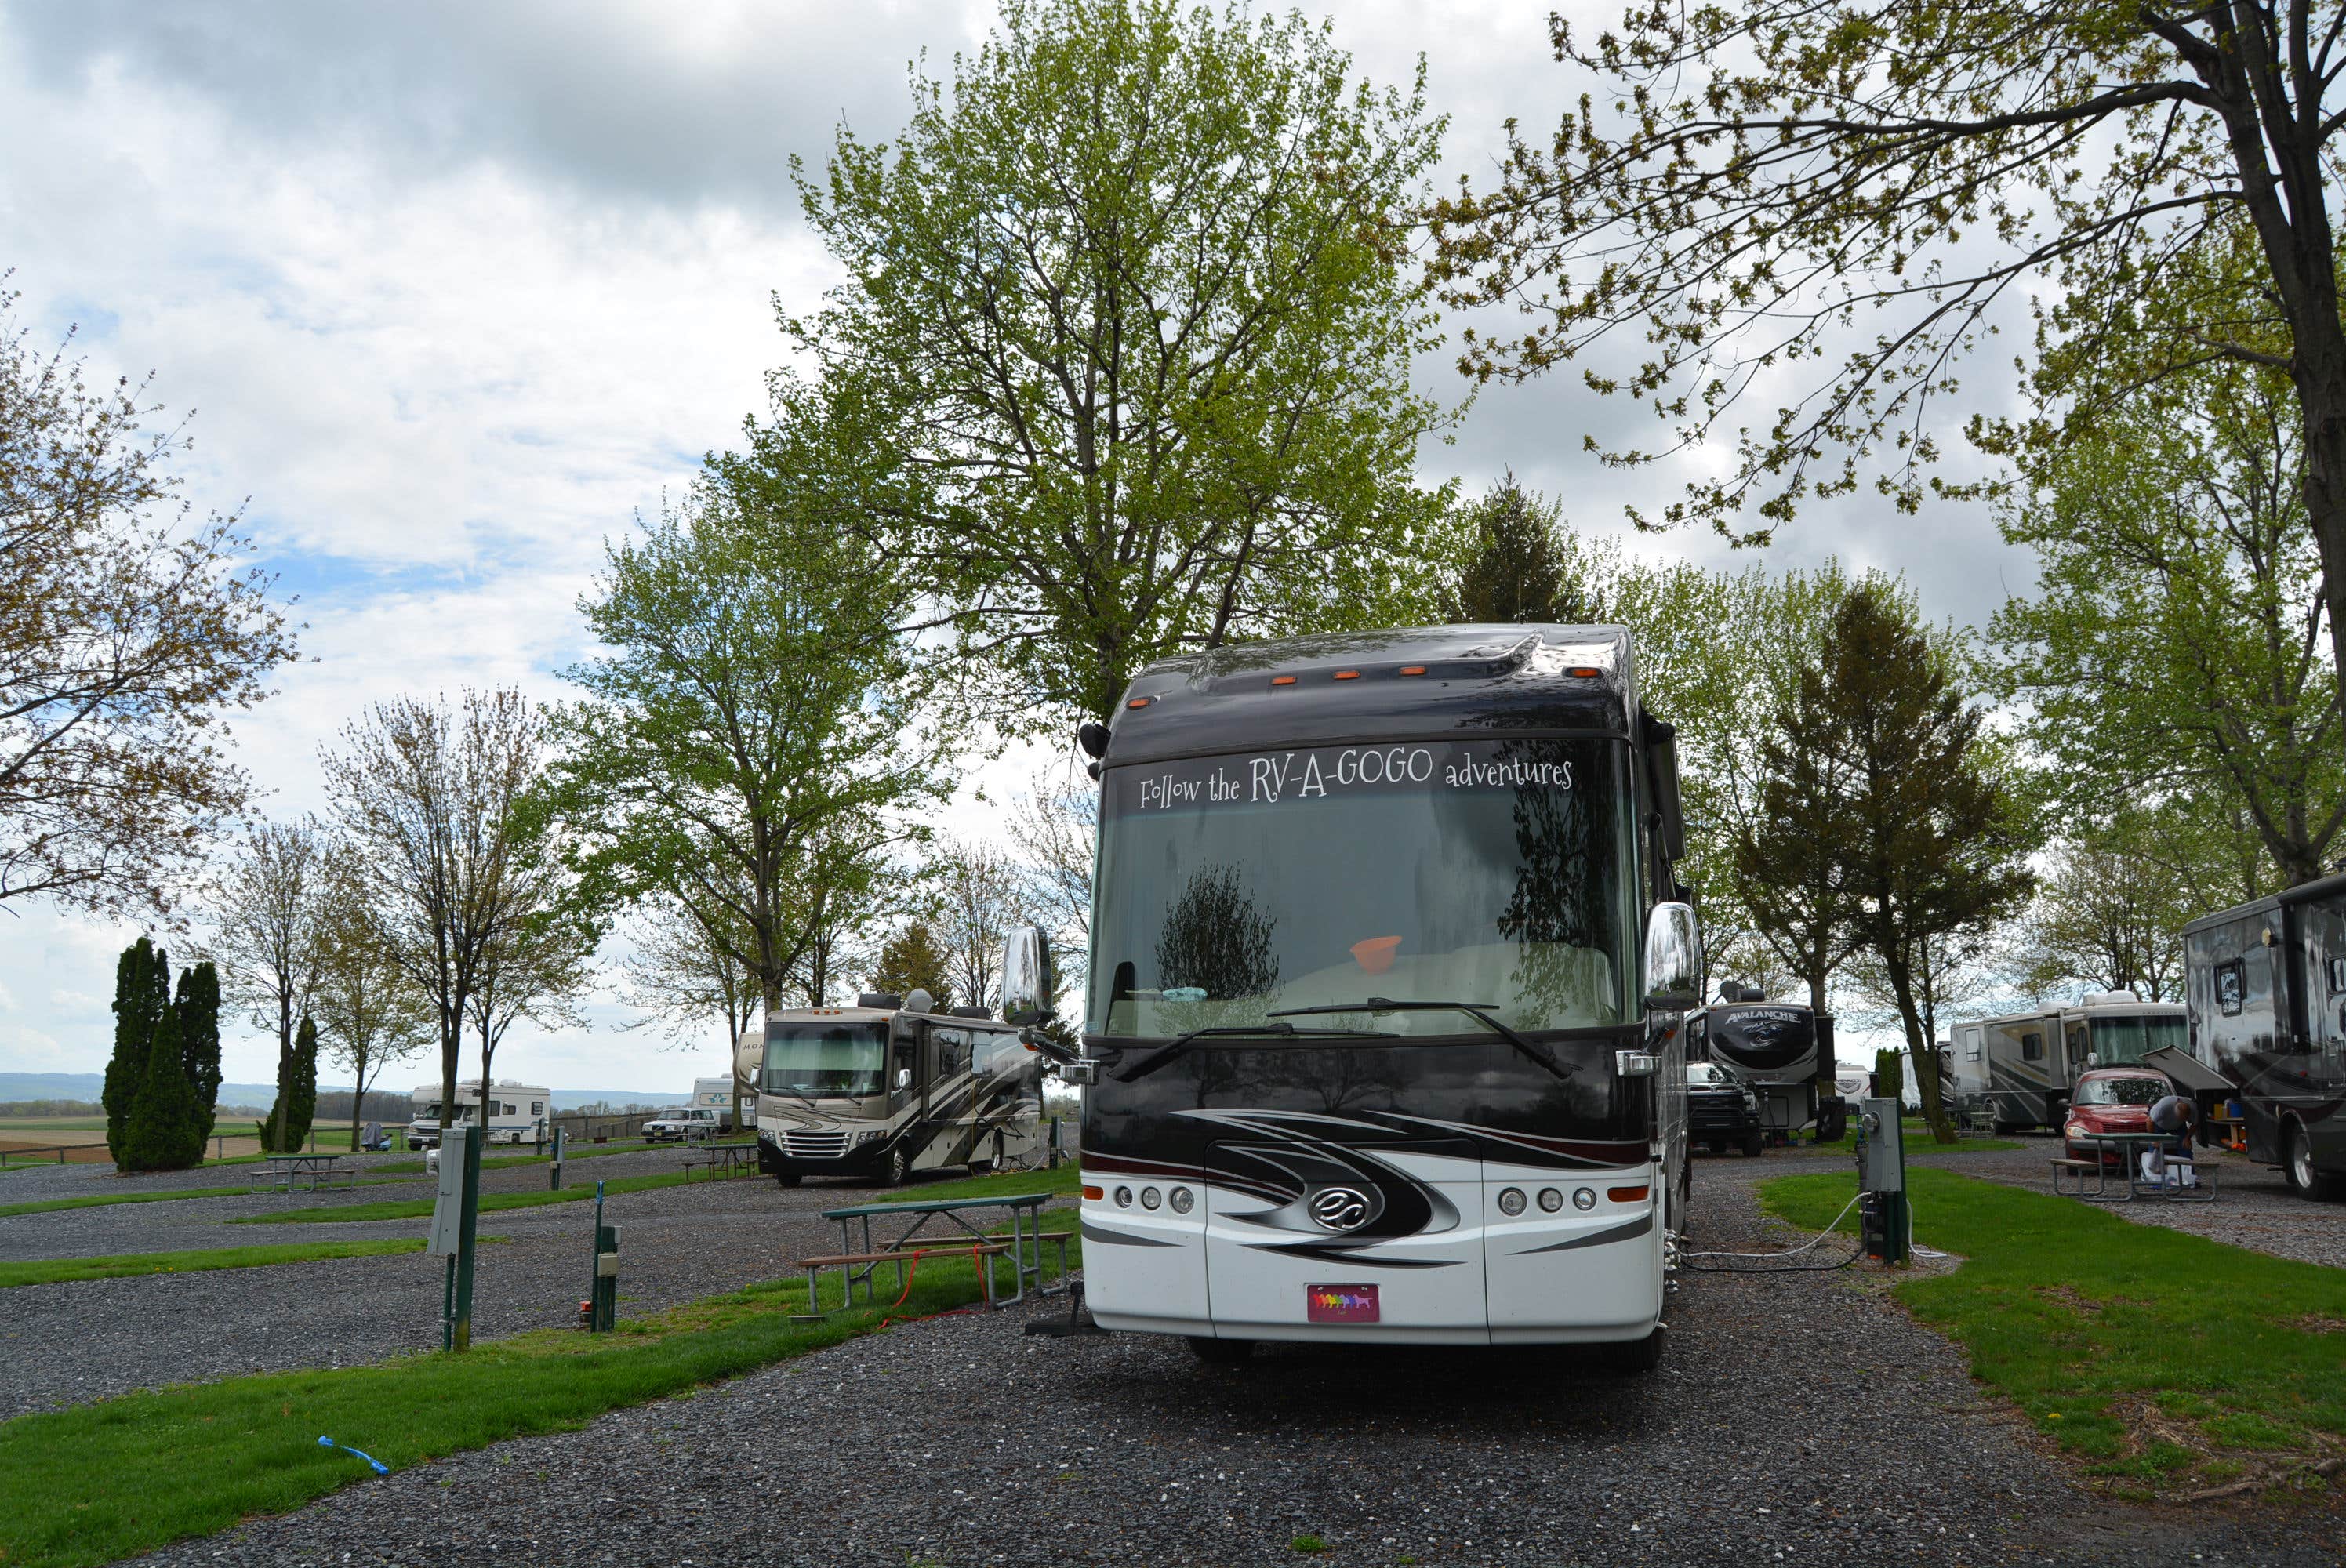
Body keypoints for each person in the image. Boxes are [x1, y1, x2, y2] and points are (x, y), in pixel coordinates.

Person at [2144, 1092, 2198, 1188]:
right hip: (2159, 1125)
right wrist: (2154, 1139)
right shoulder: (2163, 1107)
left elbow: (2195, 1124)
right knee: (2154, 1151)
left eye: (2185, 1119)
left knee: (2186, 1149)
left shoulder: (2193, 1107)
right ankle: (2154, 1181)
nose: (2183, 1119)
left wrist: (2187, 1138)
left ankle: (2189, 1179)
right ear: (2175, 1112)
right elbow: (2149, 1121)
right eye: (2181, 1118)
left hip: (2179, 1128)